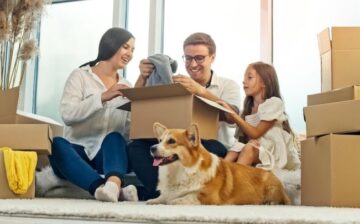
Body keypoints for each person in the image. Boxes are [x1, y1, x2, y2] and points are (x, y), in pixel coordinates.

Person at [128, 32, 242, 200]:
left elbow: (232, 116)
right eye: (188, 58)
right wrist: (143, 77)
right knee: (135, 147)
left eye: (199, 58)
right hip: (176, 145)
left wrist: (200, 91)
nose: (193, 64)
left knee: (214, 148)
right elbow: (141, 106)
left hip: (209, 147)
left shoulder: (228, 85)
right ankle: (160, 193)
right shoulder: (177, 83)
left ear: (212, 57)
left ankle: (153, 193)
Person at [49, 27, 138, 203]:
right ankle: (102, 189)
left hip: (108, 158)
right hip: (78, 152)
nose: (130, 53)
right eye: (126, 47)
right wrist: (103, 97)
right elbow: (67, 114)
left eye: (133, 50)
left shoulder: (127, 85)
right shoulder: (80, 76)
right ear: (111, 45)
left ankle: (112, 184)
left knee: (115, 137)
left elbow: (128, 131)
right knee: (56, 144)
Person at [219, 61, 300, 171]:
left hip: (272, 152)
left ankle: (235, 182)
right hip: (256, 146)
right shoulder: (247, 110)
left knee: (248, 149)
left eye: (249, 77)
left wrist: (233, 114)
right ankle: (219, 174)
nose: (244, 81)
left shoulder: (274, 103)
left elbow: (256, 133)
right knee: (234, 150)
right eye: (244, 77)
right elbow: (246, 138)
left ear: (264, 82)